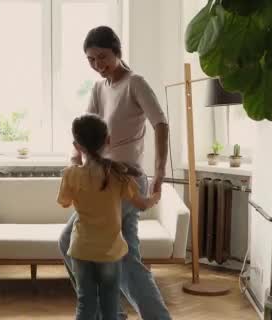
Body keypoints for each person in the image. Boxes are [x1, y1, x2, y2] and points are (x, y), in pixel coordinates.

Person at [58, 26, 171, 320]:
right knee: (128, 259)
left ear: (117, 51)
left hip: (127, 181)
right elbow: (85, 130)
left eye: (103, 57)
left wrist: (159, 173)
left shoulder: (135, 83)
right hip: (102, 182)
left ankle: (103, 312)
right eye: (91, 60)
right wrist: (75, 159)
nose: (98, 65)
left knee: (69, 239)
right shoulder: (99, 88)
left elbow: (161, 124)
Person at [57, 114, 161, 320]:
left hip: (81, 251)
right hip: (110, 252)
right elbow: (141, 205)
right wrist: (154, 198)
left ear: (77, 145)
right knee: (110, 305)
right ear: (108, 141)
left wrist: (74, 162)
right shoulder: (119, 176)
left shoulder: (71, 175)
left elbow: (64, 202)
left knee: (85, 303)